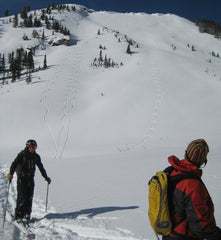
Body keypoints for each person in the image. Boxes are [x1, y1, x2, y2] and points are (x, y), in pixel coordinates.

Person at [162, 139, 221, 240]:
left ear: (186, 153)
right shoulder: (193, 185)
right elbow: (200, 225)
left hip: (169, 234)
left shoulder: (173, 172)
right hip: (184, 236)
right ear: (202, 160)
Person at [7, 139, 51, 222]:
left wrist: (46, 177)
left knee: (29, 197)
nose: (33, 149)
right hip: (22, 178)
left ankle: (27, 214)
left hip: (30, 178)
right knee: (22, 197)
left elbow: (41, 167)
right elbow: (14, 164)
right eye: (31, 147)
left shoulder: (36, 156)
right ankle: (19, 216)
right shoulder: (22, 154)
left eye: (35, 147)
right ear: (27, 147)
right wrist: (10, 174)